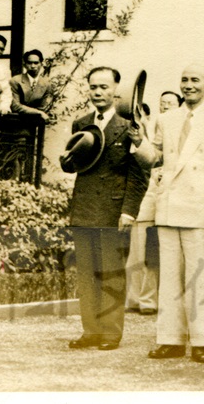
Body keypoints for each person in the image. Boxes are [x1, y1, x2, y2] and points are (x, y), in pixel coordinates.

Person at [131, 64, 204, 364]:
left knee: (200, 275)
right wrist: (138, 141)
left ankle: (201, 340)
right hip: (169, 205)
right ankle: (170, 340)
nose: (188, 85)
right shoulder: (167, 119)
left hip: (202, 204)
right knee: (169, 277)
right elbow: (154, 159)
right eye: (184, 80)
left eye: (195, 80)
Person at [62, 67, 148, 351]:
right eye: (93, 87)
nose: (98, 93)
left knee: (111, 272)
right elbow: (76, 166)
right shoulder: (81, 123)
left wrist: (128, 211)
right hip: (85, 208)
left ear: (116, 91)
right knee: (86, 274)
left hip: (114, 212)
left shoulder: (129, 126)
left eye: (104, 87)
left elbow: (138, 175)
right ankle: (91, 331)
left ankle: (111, 333)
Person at [125, 91, 182, 314]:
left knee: (159, 255)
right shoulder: (146, 129)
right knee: (138, 252)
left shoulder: (181, 129)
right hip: (147, 197)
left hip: (171, 199)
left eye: (171, 103)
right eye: (163, 103)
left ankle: (152, 300)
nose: (166, 106)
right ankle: (135, 299)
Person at [10, 48, 53, 121]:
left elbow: (44, 106)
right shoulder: (15, 81)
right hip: (17, 120)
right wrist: (37, 112)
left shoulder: (46, 84)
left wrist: (39, 113)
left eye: (36, 63)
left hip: (36, 121)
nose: (33, 66)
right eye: (29, 63)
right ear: (24, 64)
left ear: (41, 64)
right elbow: (15, 106)